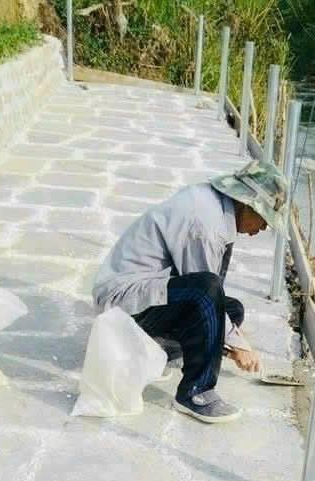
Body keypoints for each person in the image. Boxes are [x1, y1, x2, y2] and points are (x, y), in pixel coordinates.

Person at [92, 159, 288, 424]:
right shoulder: (205, 225)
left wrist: (230, 338)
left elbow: (213, 300)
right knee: (208, 292)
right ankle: (196, 392)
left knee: (233, 309)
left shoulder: (213, 204)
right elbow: (206, 290)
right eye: (264, 220)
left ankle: (157, 347)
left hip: (145, 294)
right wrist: (240, 346)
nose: (262, 229)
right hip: (121, 304)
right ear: (247, 204)